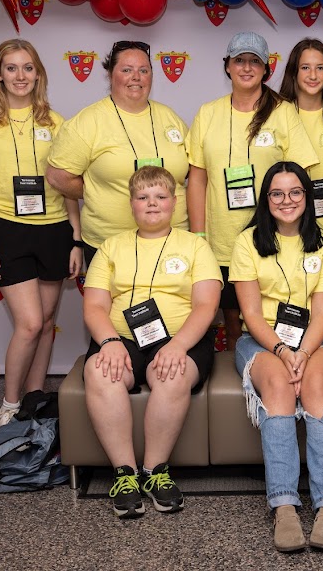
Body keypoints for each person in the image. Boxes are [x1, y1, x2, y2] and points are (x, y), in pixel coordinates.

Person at [82, 166, 221, 519]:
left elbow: (206, 305)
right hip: (121, 339)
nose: (152, 203)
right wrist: (109, 341)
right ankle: (125, 475)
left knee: (172, 375)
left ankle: (155, 472)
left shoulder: (195, 246)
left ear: (174, 202)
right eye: (143, 197)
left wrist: (178, 346)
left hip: (180, 338)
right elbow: (94, 306)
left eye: (160, 196)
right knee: (100, 372)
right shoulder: (110, 247)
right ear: (131, 204)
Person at [0, 39, 82, 427]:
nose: (20, 75)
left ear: (38, 74)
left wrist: (76, 239)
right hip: (6, 229)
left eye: (28, 67)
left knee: (45, 323)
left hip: (54, 229)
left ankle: (34, 398)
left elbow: (67, 185)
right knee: (28, 323)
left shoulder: (56, 123)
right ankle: (10, 405)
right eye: (11, 68)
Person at [229, 162, 323, 551]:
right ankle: (284, 507)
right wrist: (282, 351)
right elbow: (251, 314)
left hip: (315, 339)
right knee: (279, 386)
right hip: (261, 341)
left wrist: (304, 353)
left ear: (307, 196)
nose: (287, 200)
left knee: (316, 385)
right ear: (266, 199)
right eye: (277, 193)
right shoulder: (247, 242)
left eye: (295, 192)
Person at [187, 31, 318, 350]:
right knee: (233, 329)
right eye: (239, 60)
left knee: (270, 322)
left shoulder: (282, 111)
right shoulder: (208, 113)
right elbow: (197, 179)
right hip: (221, 240)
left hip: (271, 237)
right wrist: (199, 237)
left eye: (255, 61)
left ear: (266, 69)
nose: (246, 68)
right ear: (227, 66)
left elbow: (300, 177)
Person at [47, 40, 190, 264]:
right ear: (110, 74)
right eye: (127, 70)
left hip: (173, 243)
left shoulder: (170, 118)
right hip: (111, 245)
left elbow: (191, 173)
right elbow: (58, 176)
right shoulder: (87, 122)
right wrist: (98, 191)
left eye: (144, 70)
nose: (136, 77)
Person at [279, 38, 323, 242]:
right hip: (290, 226)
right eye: (305, 67)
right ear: (294, 72)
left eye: (320, 68)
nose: (313, 75)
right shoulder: (278, 117)